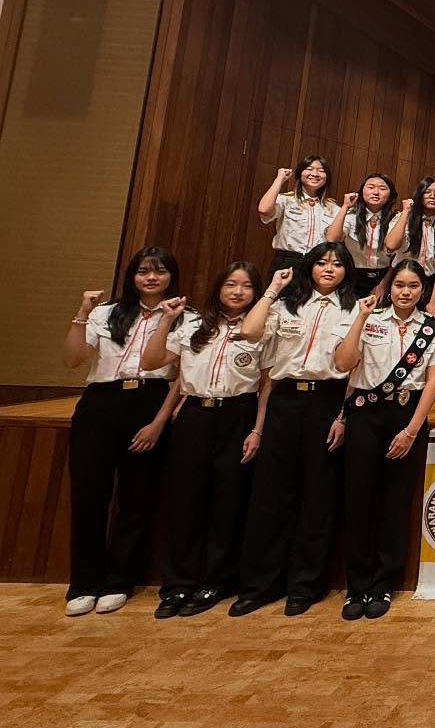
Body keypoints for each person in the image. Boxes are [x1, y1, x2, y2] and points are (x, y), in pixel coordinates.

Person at [230, 242, 357, 618]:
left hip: (328, 401)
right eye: (322, 263)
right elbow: (250, 334)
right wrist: (271, 289)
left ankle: (304, 586)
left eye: (337, 264)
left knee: (317, 498)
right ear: (310, 268)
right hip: (284, 400)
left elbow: (354, 371)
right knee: (271, 495)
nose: (329, 269)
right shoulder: (285, 305)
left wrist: (343, 416)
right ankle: (258, 585)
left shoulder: (355, 310)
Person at [140, 261, 272, 619]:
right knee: (185, 500)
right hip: (195, 415)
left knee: (227, 501)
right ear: (218, 287)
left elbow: (266, 385)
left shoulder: (260, 328)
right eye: (230, 284)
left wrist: (257, 429)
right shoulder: (193, 325)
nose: (237, 291)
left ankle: (216, 580)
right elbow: (151, 361)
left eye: (246, 286)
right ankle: (177, 584)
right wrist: (166, 319)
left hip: (238, 414)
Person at [59, 247, 182, 617]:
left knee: (136, 495)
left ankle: (118, 580)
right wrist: (81, 314)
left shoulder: (183, 317)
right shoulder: (105, 313)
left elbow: (179, 377)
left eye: (159, 272)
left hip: (150, 400)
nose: (151, 278)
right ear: (132, 276)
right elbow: (73, 358)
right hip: (101, 401)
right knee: (89, 494)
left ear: (171, 277)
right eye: (144, 271)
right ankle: (83, 582)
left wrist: (159, 422)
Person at [334, 259, 435, 620]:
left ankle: (384, 582)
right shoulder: (370, 320)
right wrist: (358, 319)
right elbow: (344, 365)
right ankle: (357, 584)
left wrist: (411, 430)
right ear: (390, 287)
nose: (405, 292)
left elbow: (433, 381)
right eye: (399, 284)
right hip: (365, 413)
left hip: (406, 416)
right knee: (359, 498)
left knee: (395, 501)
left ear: (422, 290)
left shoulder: (431, 328)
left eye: (413, 286)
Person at [257, 156, 338, 276]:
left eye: (321, 170)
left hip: (320, 263)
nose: (315, 174)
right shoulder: (286, 200)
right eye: (309, 169)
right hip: (288, 261)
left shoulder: (334, 208)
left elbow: (335, 239)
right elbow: (264, 209)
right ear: (300, 173)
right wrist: (279, 179)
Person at [383, 176, 435, 314]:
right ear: (419, 194)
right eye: (427, 192)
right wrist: (406, 212)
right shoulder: (402, 218)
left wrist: (433, 301)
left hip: (428, 282)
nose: (432, 196)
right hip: (401, 279)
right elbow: (391, 244)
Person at [325, 172, 398, 299]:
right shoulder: (351, 215)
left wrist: (384, 284)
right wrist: (345, 206)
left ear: (390, 195)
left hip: (384, 276)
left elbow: (397, 254)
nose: (376, 192)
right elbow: (332, 238)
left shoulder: (396, 218)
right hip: (353, 274)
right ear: (361, 191)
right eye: (371, 187)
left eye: (382, 188)